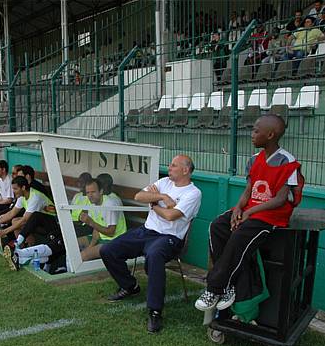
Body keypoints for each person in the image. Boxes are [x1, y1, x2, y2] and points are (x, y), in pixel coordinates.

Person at [194, 115, 302, 321]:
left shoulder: (287, 161)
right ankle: (228, 287)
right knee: (217, 226)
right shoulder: (254, 159)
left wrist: (249, 213)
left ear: (270, 135)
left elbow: (280, 199)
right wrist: (238, 209)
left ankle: (216, 287)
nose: (251, 135)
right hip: (251, 209)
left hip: (271, 215)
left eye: (255, 131)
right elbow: (249, 190)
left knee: (239, 236)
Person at [99, 155, 202, 333]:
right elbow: (139, 196)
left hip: (169, 238)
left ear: (185, 170)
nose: (169, 167)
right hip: (146, 232)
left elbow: (171, 216)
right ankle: (130, 286)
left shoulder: (193, 193)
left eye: (174, 165)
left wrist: (153, 204)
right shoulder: (164, 182)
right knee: (107, 249)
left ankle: (155, 311)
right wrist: (161, 196)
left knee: (154, 256)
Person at [0, 176, 58, 248]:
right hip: (38, 222)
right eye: (13, 188)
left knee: (22, 222)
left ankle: (30, 247)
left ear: (23, 188)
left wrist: (4, 231)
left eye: (15, 188)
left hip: (52, 224)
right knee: (15, 220)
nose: (13, 191)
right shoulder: (22, 196)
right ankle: (20, 248)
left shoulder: (35, 197)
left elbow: (24, 220)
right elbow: (11, 213)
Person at [77, 178, 127, 261]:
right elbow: (97, 229)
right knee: (71, 244)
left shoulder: (109, 204)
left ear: (101, 191)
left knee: (81, 257)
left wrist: (91, 222)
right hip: (102, 238)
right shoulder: (92, 203)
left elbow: (111, 232)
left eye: (93, 192)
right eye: (88, 193)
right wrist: (90, 247)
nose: (90, 195)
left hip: (115, 241)